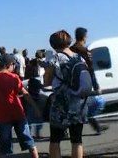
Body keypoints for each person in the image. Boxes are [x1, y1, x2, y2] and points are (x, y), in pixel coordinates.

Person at [44, 30, 88, 158]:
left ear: (53, 45)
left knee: (55, 140)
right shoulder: (79, 57)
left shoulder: (54, 59)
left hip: (60, 102)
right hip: (79, 102)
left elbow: (47, 82)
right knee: (77, 140)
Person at [70, 27, 108, 135]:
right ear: (84, 37)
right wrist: (96, 85)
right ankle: (95, 127)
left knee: (76, 107)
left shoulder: (70, 50)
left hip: (72, 83)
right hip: (84, 83)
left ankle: (96, 127)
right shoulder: (85, 51)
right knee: (93, 104)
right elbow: (90, 69)